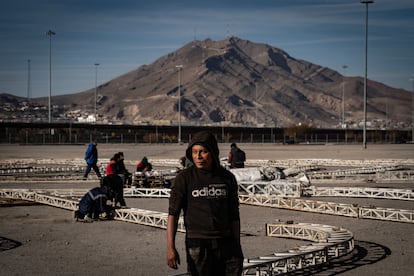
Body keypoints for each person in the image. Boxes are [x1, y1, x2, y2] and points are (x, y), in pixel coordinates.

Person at [167, 131, 244, 275]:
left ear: (213, 153)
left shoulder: (227, 178)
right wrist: (170, 247)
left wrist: (237, 246)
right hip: (198, 243)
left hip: (225, 241)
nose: (198, 156)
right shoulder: (184, 178)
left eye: (203, 152)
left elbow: (234, 215)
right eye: (195, 152)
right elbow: (173, 214)